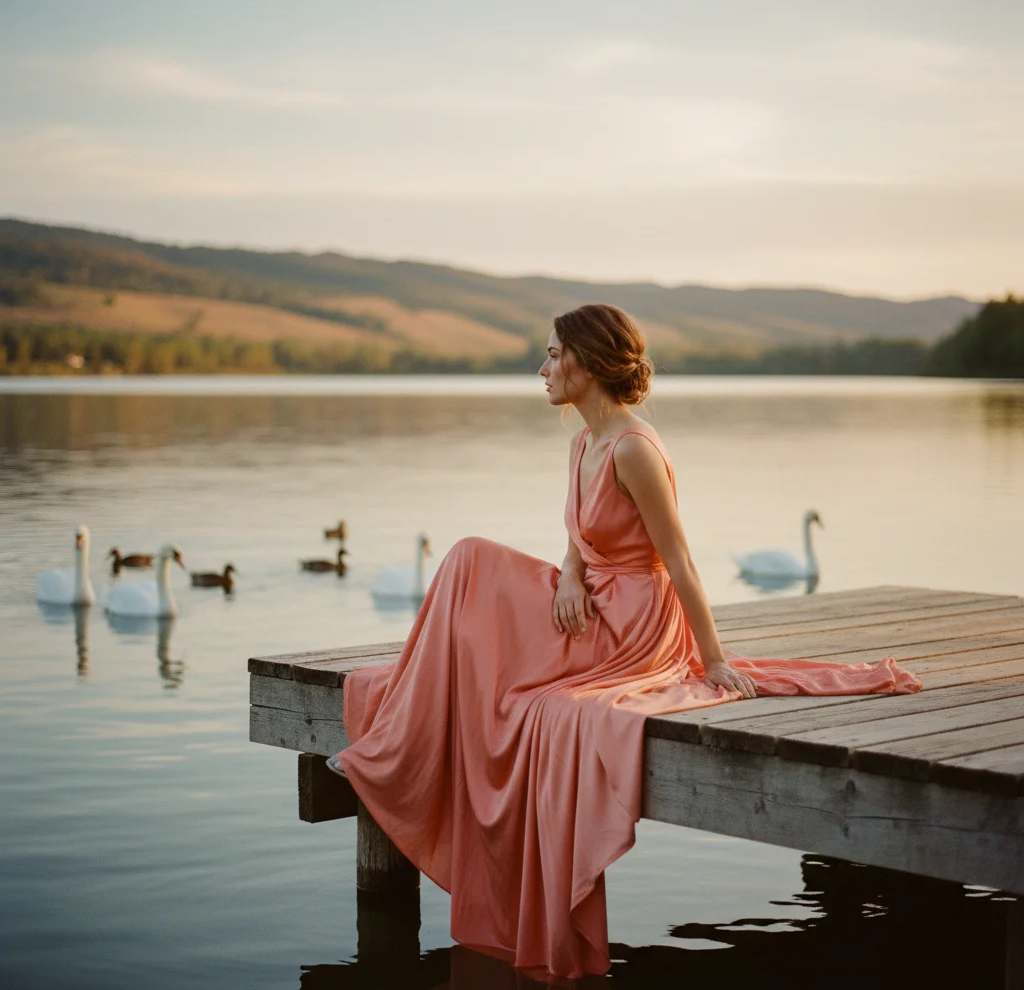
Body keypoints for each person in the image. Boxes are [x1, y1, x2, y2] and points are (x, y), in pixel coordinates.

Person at [328, 303, 921, 981]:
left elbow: (681, 561)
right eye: (546, 355)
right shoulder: (583, 443)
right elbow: (583, 531)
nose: (543, 369)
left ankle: (392, 743)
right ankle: (403, 729)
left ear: (589, 362)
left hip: (634, 626)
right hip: (589, 601)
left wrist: (715, 659)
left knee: (471, 570)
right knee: (468, 563)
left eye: (554, 355)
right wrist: (570, 576)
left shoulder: (635, 449)